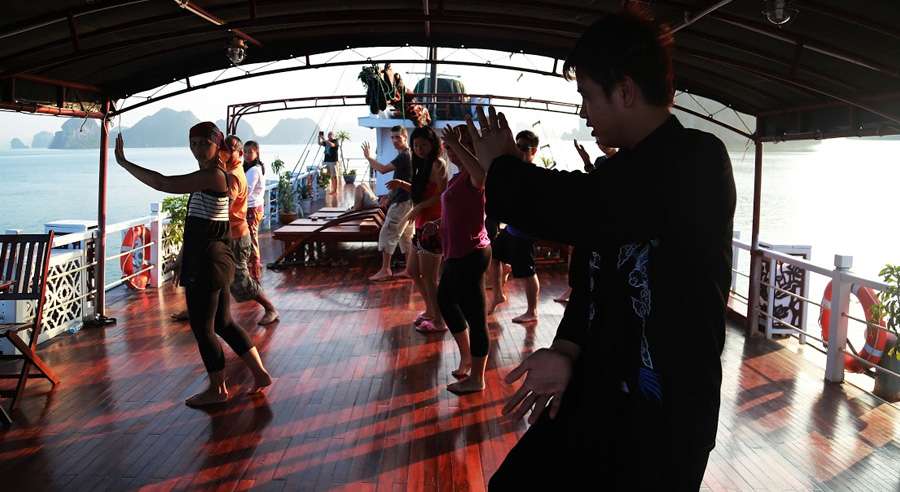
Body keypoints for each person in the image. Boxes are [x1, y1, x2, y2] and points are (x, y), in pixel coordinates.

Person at [467, 10, 736, 490]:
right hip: (596, 390)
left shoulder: (698, 161)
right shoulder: (615, 175)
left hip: (663, 419)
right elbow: (590, 285)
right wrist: (565, 351)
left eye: (588, 96)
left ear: (625, 91)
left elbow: (586, 207)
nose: (583, 112)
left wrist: (504, 169)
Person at [114, 122, 272, 407]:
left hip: (207, 263)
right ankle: (260, 373)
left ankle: (218, 389)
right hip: (217, 259)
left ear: (217, 145)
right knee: (223, 323)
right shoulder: (214, 175)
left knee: (203, 329)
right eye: (194, 143)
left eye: (204, 143)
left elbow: (164, 183)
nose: (198, 149)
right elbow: (202, 224)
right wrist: (182, 257)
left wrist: (124, 163)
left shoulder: (213, 175)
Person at [439, 125, 491, 394]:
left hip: (471, 254)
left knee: (476, 318)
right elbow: (457, 210)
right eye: (448, 147)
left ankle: (477, 378)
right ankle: (467, 356)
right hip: (455, 252)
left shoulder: (475, 174)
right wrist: (438, 224)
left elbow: (481, 176)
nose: (451, 152)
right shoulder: (457, 177)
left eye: (458, 146)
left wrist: (458, 145)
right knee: (445, 301)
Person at [385, 126, 449, 333]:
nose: (420, 149)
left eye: (424, 145)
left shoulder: (438, 164)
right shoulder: (421, 164)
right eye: (416, 145)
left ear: (433, 145)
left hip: (433, 226)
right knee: (413, 271)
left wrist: (419, 207)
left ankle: (439, 320)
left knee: (429, 277)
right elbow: (422, 189)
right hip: (421, 225)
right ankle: (431, 310)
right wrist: (401, 184)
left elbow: (443, 195)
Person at [223, 135, 279, 325]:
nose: (247, 154)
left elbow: (230, 202)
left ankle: (267, 302)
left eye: (248, 152)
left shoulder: (245, 172)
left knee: (240, 277)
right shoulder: (240, 169)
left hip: (244, 220)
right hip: (237, 223)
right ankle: (196, 308)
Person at [554, 139, 619, 303]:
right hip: (598, 217)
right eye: (599, 142)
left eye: (604, 141)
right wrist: (587, 161)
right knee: (575, 250)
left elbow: (609, 186)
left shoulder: (625, 160)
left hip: (612, 222)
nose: (603, 144)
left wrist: (587, 162)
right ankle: (572, 288)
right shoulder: (600, 161)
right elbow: (595, 184)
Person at [488, 130, 541, 324]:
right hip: (511, 229)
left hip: (524, 233)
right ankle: (497, 294)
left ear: (533, 151)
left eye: (524, 147)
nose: (519, 151)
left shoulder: (535, 174)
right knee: (494, 256)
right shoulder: (514, 170)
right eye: (516, 146)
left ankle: (532, 311)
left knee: (528, 272)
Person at [362, 126, 415, 281]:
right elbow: (404, 180)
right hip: (408, 201)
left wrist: (368, 158)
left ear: (405, 136)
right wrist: (389, 196)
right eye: (392, 137)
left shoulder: (404, 156)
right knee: (406, 236)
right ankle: (409, 269)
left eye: (398, 137)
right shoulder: (408, 154)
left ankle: (385, 270)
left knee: (388, 232)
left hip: (402, 202)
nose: (394, 140)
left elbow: (383, 169)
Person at [243, 140, 266, 280]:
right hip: (256, 207)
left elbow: (247, 191)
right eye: (244, 152)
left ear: (257, 153)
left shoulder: (253, 170)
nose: (246, 155)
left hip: (252, 208)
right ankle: (253, 267)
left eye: (250, 152)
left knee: (251, 239)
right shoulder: (255, 167)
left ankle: (255, 270)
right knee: (251, 237)